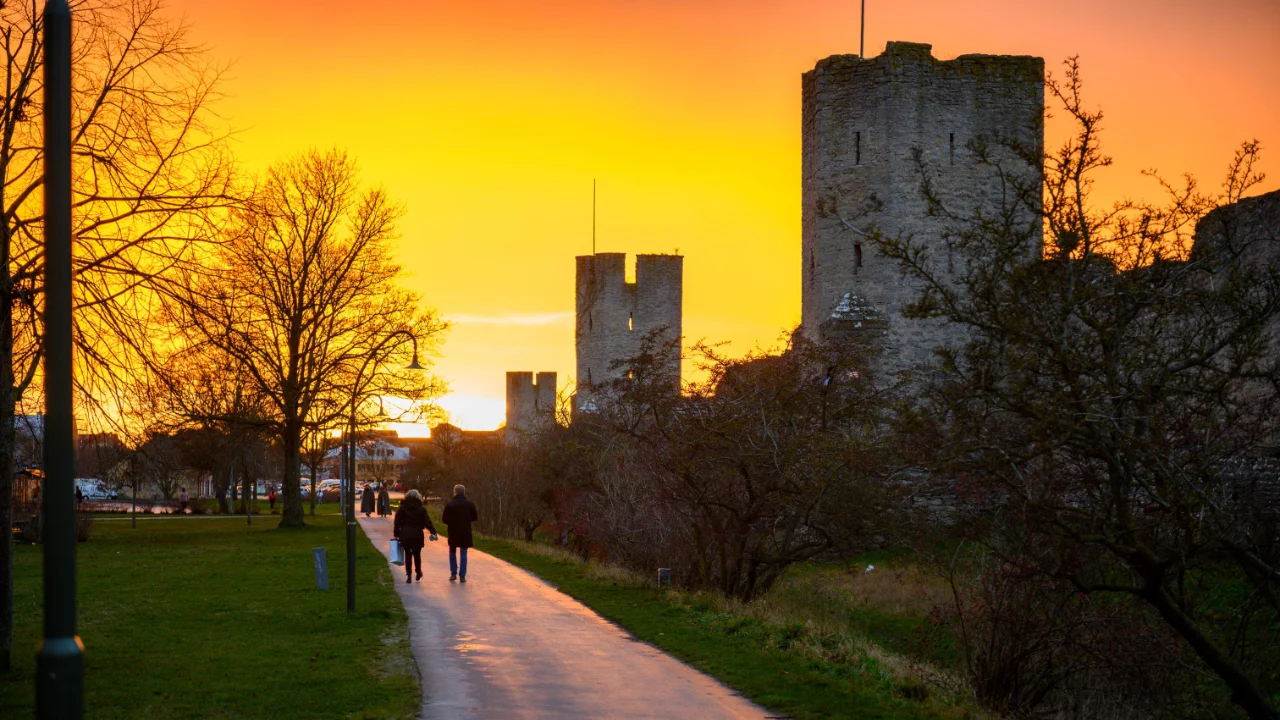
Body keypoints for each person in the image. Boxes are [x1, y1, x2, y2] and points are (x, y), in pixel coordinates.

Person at [393, 489, 437, 583]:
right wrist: (433, 532)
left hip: (405, 533)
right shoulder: (421, 508)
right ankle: (418, 572)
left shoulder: (402, 508)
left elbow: (397, 522)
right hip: (417, 534)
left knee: (408, 554)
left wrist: (396, 533)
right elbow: (427, 522)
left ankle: (409, 575)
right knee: (417, 554)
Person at [441, 484, 478, 583]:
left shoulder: (450, 504)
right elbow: (475, 517)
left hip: (453, 531)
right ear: (464, 492)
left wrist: (451, 522)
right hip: (465, 531)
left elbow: (444, 519)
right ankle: (462, 576)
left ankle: (453, 574)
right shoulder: (470, 504)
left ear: (455, 492)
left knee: (452, 552)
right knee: (463, 553)